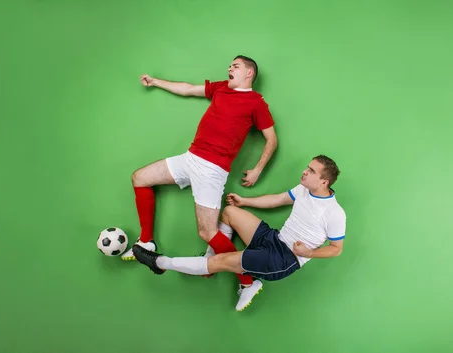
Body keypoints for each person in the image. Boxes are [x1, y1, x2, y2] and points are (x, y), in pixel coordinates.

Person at [122, 55, 278, 292]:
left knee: (207, 232)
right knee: (140, 178)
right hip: (190, 158)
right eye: (230, 65)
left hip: (212, 169)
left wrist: (257, 169)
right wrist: (155, 81)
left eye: (235, 66)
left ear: (249, 73)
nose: (229, 68)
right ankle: (146, 241)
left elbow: (272, 139)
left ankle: (249, 282)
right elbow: (187, 89)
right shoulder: (221, 88)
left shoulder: (256, 102)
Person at [130, 155, 347, 311]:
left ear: (324, 182)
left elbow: (336, 249)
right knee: (230, 212)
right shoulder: (304, 189)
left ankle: (159, 263)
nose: (305, 171)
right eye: (307, 167)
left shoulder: (334, 213)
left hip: (284, 258)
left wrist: (308, 253)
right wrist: (245, 201)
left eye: (311, 171)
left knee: (221, 261)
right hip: (274, 239)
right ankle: (232, 273)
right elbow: (278, 199)